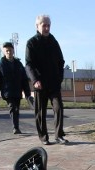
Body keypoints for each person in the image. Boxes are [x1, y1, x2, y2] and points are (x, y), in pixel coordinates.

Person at [25, 14, 67, 145]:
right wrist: (35, 80)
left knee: (59, 108)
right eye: (44, 25)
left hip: (54, 83)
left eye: (49, 25)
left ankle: (59, 135)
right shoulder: (31, 43)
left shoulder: (54, 42)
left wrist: (59, 77)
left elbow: (61, 61)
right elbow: (28, 64)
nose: (47, 28)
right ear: (37, 26)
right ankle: (44, 137)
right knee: (40, 112)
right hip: (40, 84)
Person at [0, 41, 32, 134]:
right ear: (4, 52)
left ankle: (16, 126)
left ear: (13, 51)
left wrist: (27, 94)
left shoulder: (18, 64)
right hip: (7, 92)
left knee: (16, 109)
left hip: (17, 91)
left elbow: (24, 79)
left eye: (10, 50)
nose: (9, 52)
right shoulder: (0, 64)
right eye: (7, 51)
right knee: (13, 108)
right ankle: (15, 128)